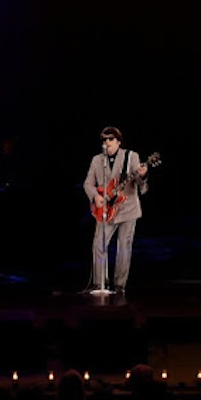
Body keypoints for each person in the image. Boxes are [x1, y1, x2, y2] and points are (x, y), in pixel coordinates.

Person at [83, 126, 149, 295]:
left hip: (128, 209)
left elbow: (140, 185)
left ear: (119, 142)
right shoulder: (97, 160)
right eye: (104, 139)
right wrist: (95, 197)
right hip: (106, 209)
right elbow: (88, 183)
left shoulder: (131, 157)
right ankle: (99, 283)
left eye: (111, 139)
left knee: (124, 247)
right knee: (98, 245)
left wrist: (142, 175)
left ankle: (119, 285)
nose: (107, 142)